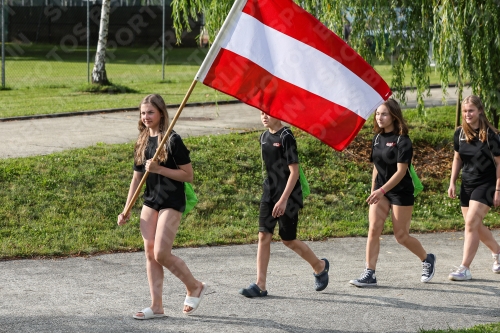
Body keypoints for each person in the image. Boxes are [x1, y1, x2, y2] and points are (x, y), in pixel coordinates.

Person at [117, 94, 207, 319]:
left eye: (150, 112)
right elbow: (137, 177)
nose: (146, 117)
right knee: (150, 253)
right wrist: (127, 208)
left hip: (172, 201)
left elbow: (188, 175)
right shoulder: (143, 140)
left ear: (161, 114)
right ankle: (157, 306)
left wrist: (159, 169)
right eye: (143, 113)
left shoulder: (172, 140)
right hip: (151, 201)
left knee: (161, 253)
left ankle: (194, 285)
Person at [238, 112, 329, 298]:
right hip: (269, 193)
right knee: (264, 235)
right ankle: (260, 285)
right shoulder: (264, 136)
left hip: (288, 196)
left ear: (278, 115)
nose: (264, 117)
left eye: (268, 114)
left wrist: (283, 199)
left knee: (288, 239)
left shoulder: (286, 137)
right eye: (261, 113)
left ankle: (319, 266)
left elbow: (294, 172)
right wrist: (270, 193)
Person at [349, 99, 436, 287]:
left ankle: (427, 258)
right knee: (373, 229)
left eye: (384, 114)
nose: (379, 117)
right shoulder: (377, 138)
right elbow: (376, 167)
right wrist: (374, 190)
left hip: (401, 192)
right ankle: (369, 273)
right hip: (380, 191)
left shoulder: (402, 140)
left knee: (401, 236)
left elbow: (401, 172)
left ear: (394, 116)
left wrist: (381, 190)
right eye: (378, 113)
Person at [447, 95, 500, 280]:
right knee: (474, 226)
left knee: (471, 224)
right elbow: (457, 158)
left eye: (471, 110)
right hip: (466, 184)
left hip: (486, 184)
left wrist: (499, 189)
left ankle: (465, 268)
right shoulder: (460, 133)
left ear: (479, 111)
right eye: (465, 111)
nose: (467, 114)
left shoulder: (491, 136)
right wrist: (452, 181)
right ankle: (498, 252)